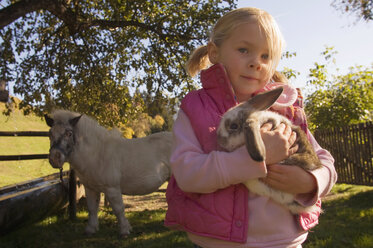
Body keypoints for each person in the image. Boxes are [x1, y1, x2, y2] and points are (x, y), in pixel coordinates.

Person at [164, 7, 337, 248]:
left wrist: (311, 181)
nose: (256, 63)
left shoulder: (285, 107)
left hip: (285, 241)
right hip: (217, 242)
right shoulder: (196, 107)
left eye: (265, 56)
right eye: (244, 50)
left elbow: (325, 161)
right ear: (215, 52)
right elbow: (187, 174)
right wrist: (253, 159)